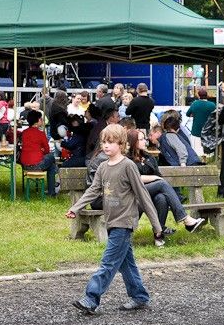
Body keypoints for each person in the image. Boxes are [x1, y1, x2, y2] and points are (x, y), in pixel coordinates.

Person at [66, 124, 162, 314]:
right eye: (104, 142)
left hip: (124, 222)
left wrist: (156, 225)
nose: (106, 145)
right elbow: (93, 190)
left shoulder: (128, 166)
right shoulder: (102, 167)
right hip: (111, 221)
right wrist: (76, 208)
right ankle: (140, 296)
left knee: (108, 263)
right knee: (127, 263)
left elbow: (142, 195)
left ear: (122, 144)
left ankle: (91, 298)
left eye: (110, 142)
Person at [128, 129, 204, 246]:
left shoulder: (149, 157)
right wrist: (155, 178)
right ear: (133, 142)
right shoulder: (127, 159)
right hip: (135, 193)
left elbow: (158, 175)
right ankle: (185, 219)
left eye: (144, 139)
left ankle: (158, 236)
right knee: (161, 183)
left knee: (161, 198)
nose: (145, 141)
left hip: (150, 193)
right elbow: (136, 179)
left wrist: (156, 178)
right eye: (141, 139)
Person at [20, 110, 58, 196]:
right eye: (41, 119)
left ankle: (52, 189)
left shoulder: (24, 133)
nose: (42, 120)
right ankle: (53, 188)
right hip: (36, 165)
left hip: (25, 164)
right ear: (37, 121)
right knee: (51, 157)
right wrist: (41, 151)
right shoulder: (41, 134)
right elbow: (47, 150)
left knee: (51, 166)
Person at [186, 87, 216, 156]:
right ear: (207, 95)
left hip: (196, 131)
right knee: (208, 154)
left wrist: (194, 114)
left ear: (199, 96)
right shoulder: (212, 105)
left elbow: (188, 114)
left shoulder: (195, 104)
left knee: (196, 153)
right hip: (208, 132)